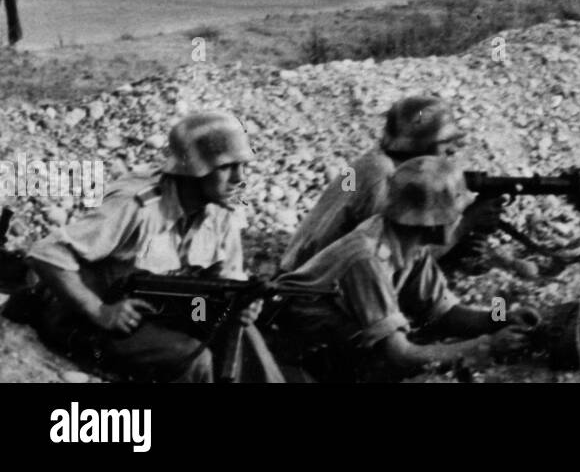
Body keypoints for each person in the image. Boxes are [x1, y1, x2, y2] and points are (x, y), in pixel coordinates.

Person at [25, 111, 279, 382]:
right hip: (93, 317)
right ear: (195, 169)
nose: (239, 178)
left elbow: (225, 282)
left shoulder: (222, 211)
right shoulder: (137, 205)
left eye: (243, 166)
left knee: (241, 331)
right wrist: (99, 311)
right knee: (194, 358)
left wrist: (242, 304)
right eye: (227, 167)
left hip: (168, 310)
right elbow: (46, 253)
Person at [275, 157, 537, 382]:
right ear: (434, 222)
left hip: (337, 345)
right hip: (300, 355)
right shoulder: (366, 258)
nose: (463, 219)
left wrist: (500, 318)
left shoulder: (411, 244)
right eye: (458, 212)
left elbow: (445, 313)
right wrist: (487, 347)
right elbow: (401, 355)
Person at [279, 95, 497, 272]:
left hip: (312, 274)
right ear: (421, 143)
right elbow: (396, 259)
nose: (452, 151)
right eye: (444, 143)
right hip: (311, 289)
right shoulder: (384, 177)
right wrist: (463, 226)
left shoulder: (372, 165)